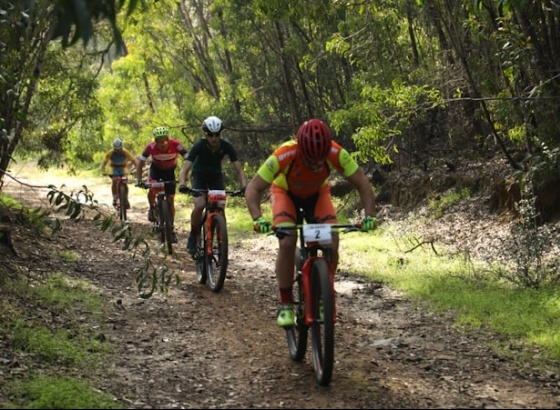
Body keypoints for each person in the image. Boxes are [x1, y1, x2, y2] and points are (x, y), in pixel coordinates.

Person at [244, 118, 377, 327]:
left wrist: (369, 215)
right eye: (309, 160)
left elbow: (362, 183)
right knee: (287, 242)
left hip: (317, 195)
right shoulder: (284, 153)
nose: (315, 164)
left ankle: (324, 294)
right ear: (300, 149)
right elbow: (253, 188)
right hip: (285, 193)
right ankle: (286, 303)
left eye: (319, 159)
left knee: (332, 240)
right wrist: (257, 218)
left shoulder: (336, 152)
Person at [178, 115, 247, 255]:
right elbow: (185, 169)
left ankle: (222, 240)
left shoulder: (226, 146)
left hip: (216, 176)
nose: (214, 138)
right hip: (199, 175)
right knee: (200, 204)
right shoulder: (199, 145)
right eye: (210, 135)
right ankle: (193, 233)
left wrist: (244, 187)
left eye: (217, 135)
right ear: (205, 134)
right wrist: (182, 184)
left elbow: (239, 169)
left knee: (220, 206)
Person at [135, 126, 189, 243]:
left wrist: (185, 175)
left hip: (170, 172)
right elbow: (141, 163)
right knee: (152, 190)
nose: (162, 144)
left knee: (171, 200)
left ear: (168, 140)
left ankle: (171, 227)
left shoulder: (176, 144)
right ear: (155, 142)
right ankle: (152, 207)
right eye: (159, 142)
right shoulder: (150, 147)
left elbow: (188, 159)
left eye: (165, 141)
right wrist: (139, 179)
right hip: (156, 171)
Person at [100, 138, 138, 208]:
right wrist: (103, 171)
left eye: (119, 149)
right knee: (114, 181)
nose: (117, 151)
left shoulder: (125, 151)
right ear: (113, 148)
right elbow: (104, 162)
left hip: (123, 168)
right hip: (114, 168)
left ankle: (125, 198)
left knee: (125, 181)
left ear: (122, 147)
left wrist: (137, 168)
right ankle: (115, 198)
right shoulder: (110, 152)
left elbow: (133, 160)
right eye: (116, 149)